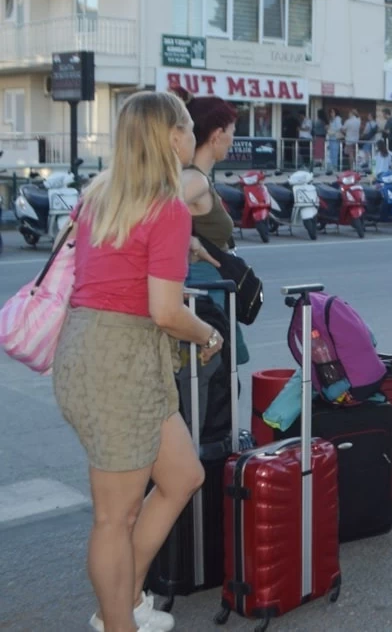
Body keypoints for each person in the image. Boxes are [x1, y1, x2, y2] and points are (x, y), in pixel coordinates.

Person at [53, 91, 223, 632]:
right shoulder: (167, 207)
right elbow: (166, 311)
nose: (193, 134)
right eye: (189, 125)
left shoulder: (100, 195)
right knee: (115, 515)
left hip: (100, 352)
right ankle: (116, 623)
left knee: (182, 476)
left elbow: (116, 270)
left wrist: (180, 252)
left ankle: (124, 603)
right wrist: (207, 333)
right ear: (172, 137)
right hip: (119, 361)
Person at [176, 88, 242, 430]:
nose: (233, 139)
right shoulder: (193, 181)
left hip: (211, 289)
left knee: (215, 382)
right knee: (209, 385)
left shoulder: (199, 179)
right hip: (203, 293)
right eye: (231, 131)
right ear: (217, 135)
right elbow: (153, 213)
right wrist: (187, 239)